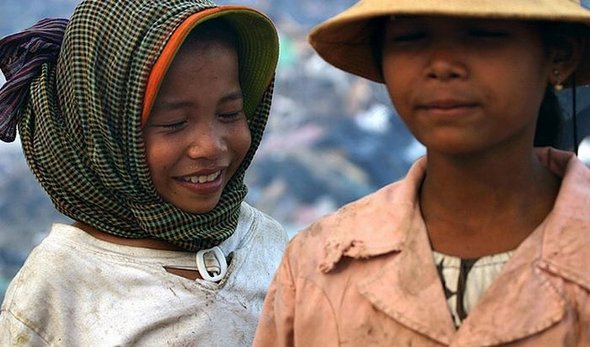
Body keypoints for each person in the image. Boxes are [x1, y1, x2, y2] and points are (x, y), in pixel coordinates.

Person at [254, 0, 590, 345]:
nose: (442, 66)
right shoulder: (318, 263)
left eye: (483, 35)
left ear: (559, 55)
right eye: (411, 38)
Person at [0, 0, 287, 345]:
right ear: (102, 133)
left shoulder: (266, 242)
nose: (210, 147)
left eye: (229, 114)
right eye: (174, 123)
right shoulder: (56, 296)